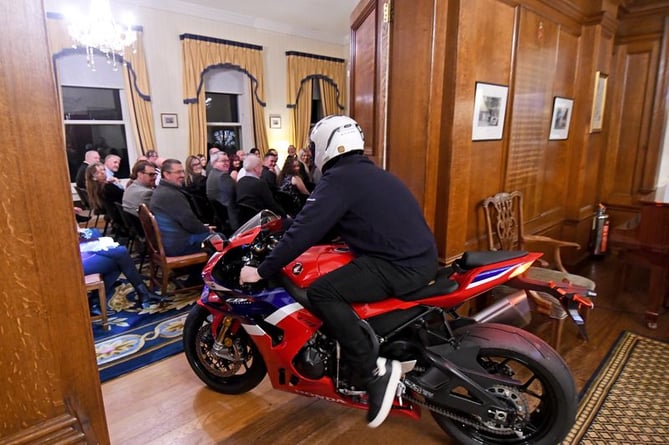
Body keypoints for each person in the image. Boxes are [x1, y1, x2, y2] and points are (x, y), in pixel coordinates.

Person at [239, 115, 438, 428]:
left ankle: (374, 370)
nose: (312, 152)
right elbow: (322, 222)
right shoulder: (364, 173)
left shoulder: (340, 179)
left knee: (322, 291)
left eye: (314, 146)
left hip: (399, 265)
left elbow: (305, 229)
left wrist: (262, 271)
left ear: (328, 145)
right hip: (420, 258)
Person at [79, 227, 162, 309]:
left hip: (75, 251)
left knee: (119, 257)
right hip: (72, 263)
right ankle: (143, 292)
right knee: (120, 255)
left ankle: (95, 301)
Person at [149, 158, 214, 256]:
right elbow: (189, 222)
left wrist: (202, 227)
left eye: (183, 172)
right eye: (178, 172)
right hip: (179, 245)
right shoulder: (170, 194)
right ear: (166, 174)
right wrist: (207, 230)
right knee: (217, 238)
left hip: (169, 242)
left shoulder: (161, 190)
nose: (183, 175)